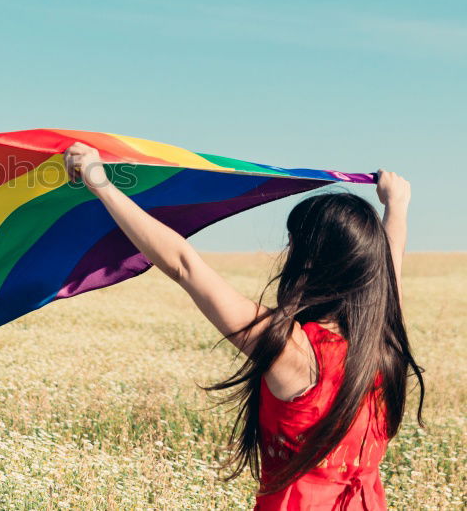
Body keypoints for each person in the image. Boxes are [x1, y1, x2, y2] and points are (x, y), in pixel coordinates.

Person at [63, 142, 424, 510]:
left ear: (309, 259)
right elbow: (387, 269)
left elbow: (184, 264)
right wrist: (397, 207)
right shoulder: (383, 344)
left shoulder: (293, 350)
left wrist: (102, 184)